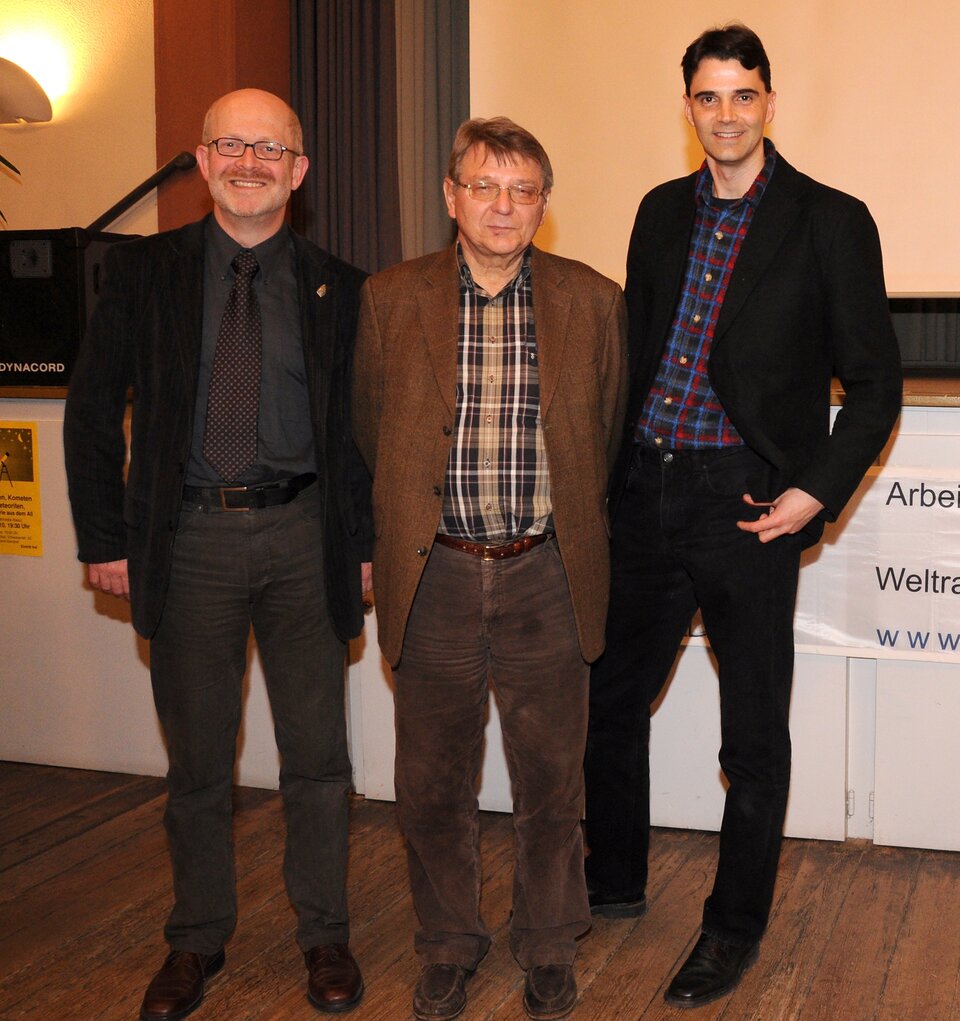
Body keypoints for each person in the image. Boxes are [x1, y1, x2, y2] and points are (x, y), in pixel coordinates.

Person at [584, 24, 902, 1009]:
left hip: (748, 501)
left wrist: (815, 487)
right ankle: (612, 883)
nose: (726, 114)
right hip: (645, 490)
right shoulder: (657, 213)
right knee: (605, 698)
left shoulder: (830, 221)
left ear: (770, 102)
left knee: (752, 736)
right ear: (689, 106)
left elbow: (878, 383)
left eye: (744, 95)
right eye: (708, 97)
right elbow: (638, 352)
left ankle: (733, 929)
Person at [64, 89, 369, 1020]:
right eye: (231, 145)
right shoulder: (143, 273)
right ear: (200, 161)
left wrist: (361, 548)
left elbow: (361, 435)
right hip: (186, 540)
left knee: (319, 760)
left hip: (304, 538)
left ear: (300, 171)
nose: (249, 162)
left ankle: (325, 933)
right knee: (197, 765)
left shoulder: (341, 287)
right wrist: (107, 536)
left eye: (270, 149)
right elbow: (90, 409)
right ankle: (196, 941)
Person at [352, 117, 627, 1021]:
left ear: (544, 204)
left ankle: (549, 941)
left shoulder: (593, 299)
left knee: (553, 778)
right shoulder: (392, 298)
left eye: (522, 191)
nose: (502, 206)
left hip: (546, 570)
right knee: (433, 782)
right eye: (484, 186)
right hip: (433, 573)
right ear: (451, 196)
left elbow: (606, 434)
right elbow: (368, 427)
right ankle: (448, 944)